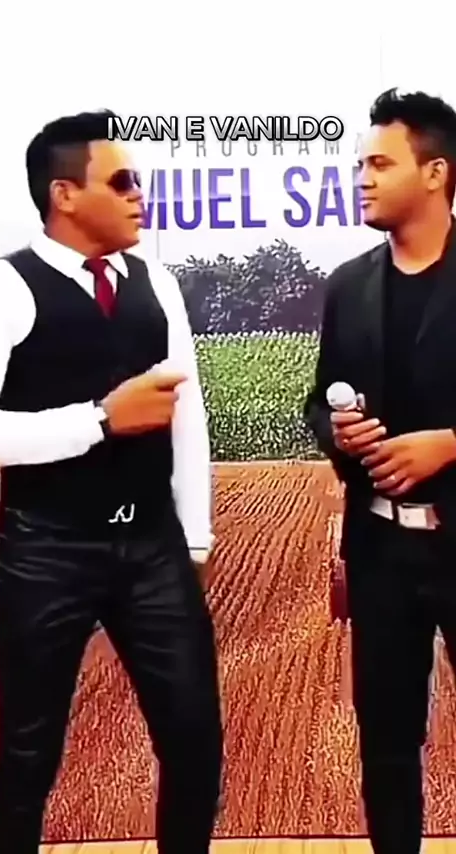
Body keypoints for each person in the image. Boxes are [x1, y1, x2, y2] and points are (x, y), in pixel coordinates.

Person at [0, 109, 222, 854]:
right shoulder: (4, 288)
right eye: (121, 182)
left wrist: (196, 539)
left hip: (153, 551)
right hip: (46, 551)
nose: (139, 196)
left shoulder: (157, 283)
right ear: (65, 195)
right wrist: (100, 421)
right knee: (28, 755)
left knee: (195, 741)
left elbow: (187, 415)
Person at [304, 87, 456, 854]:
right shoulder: (348, 285)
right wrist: (338, 433)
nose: (361, 178)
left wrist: (449, 445)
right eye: (359, 164)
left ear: (435, 172)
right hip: (381, 551)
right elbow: (316, 402)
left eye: (379, 164)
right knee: (388, 744)